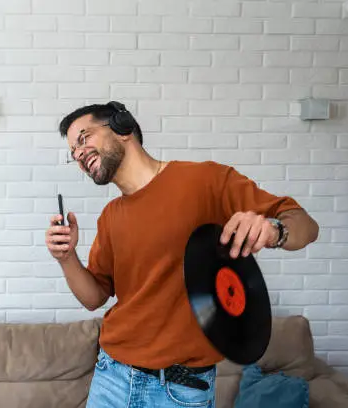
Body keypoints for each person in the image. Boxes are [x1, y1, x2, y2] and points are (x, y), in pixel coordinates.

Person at [44, 101, 319, 408]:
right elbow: (94, 297)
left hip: (181, 392)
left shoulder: (206, 181)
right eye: (73, 153)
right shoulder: (110, 217)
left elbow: (305, 224)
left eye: (83, 139)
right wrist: (66, 257)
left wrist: (274, 230)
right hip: (112, 379)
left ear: (123, 128)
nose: (79, 155)